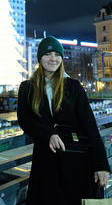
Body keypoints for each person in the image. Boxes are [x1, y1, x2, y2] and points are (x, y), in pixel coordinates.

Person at [17, 36, 110, 205]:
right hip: (46, 163)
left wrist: (101, 164)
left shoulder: (73, 86)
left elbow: (90, 126)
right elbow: (25, 120)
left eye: (57, 54)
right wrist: (48, 135)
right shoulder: (27, 88)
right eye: (48, 54)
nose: (53, 59)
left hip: (77, 164)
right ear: (39, 58)